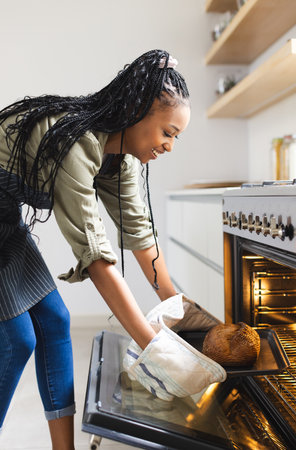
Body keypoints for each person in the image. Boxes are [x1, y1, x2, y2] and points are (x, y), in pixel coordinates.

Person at [0, 49, 191, 449]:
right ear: (138, 109)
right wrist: (152, 345)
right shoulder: (77, 144)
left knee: (53, 322)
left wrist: (183, 315)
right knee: (17, 339)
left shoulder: (118, 158)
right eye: (168, 133)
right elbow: (97, 257)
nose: (170, 146)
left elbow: (139, 234)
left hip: (6, 223)